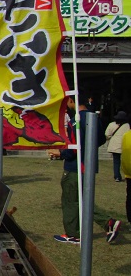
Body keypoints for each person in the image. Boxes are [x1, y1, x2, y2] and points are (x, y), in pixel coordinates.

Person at [54, 98, 106, 244]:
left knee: (72, 200)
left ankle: (74, 234)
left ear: (71, 100)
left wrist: (60, 154)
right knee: (83, 199)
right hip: (88, 165)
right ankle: (108, 223)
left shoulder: (74, 121)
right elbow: (100, 139)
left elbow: (72, 147)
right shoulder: (93, 117)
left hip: (74, 167)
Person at [105, 111, 129, 182]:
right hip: (124, 145)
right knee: (126, 161)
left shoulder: (111, 124)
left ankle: (117, 176)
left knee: (116, 161)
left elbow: (107, 134)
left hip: (114, 145)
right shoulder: (127, 126)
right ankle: (127, 175)